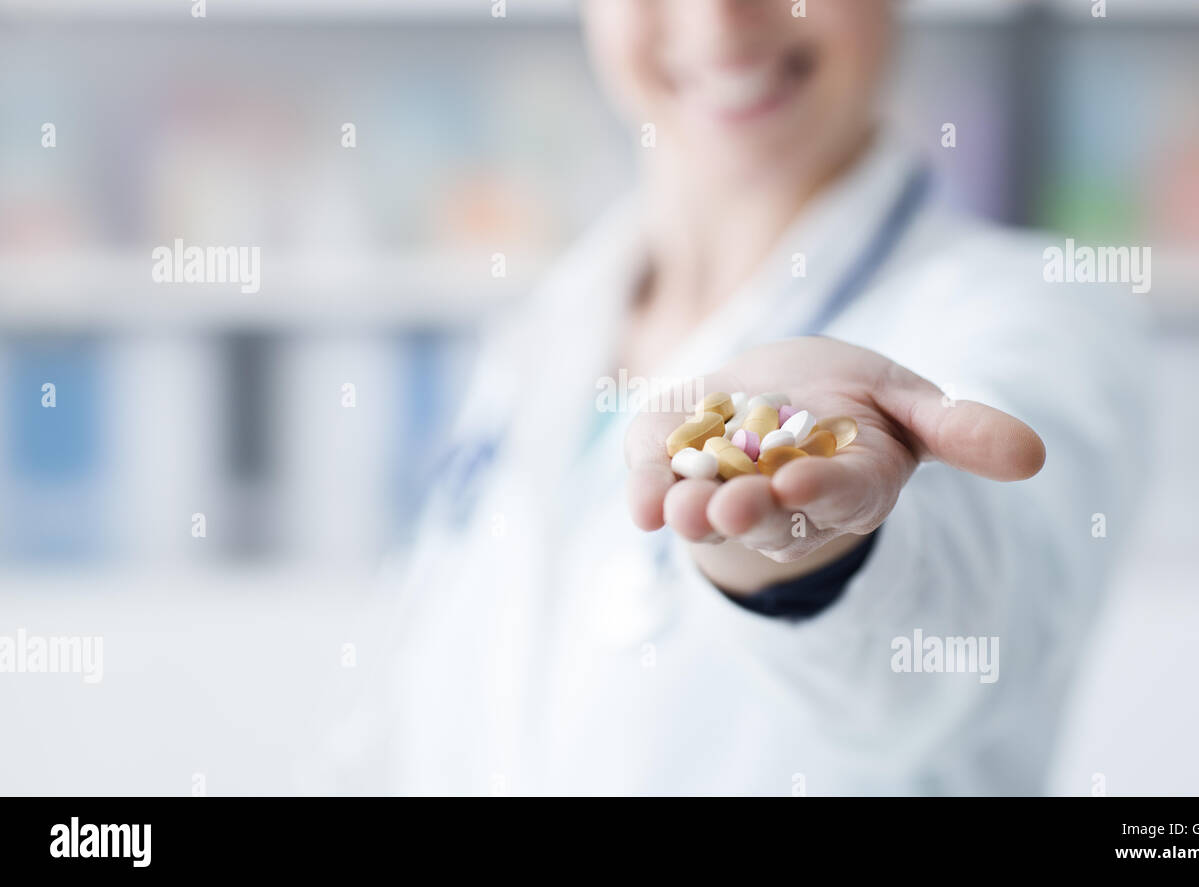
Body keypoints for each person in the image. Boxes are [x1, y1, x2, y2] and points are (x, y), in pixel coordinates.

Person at [374, 0, 1143, 795]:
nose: (718, 21)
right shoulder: (542, 327)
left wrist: (813, 557)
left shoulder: (1032, 311)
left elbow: (964, 624)